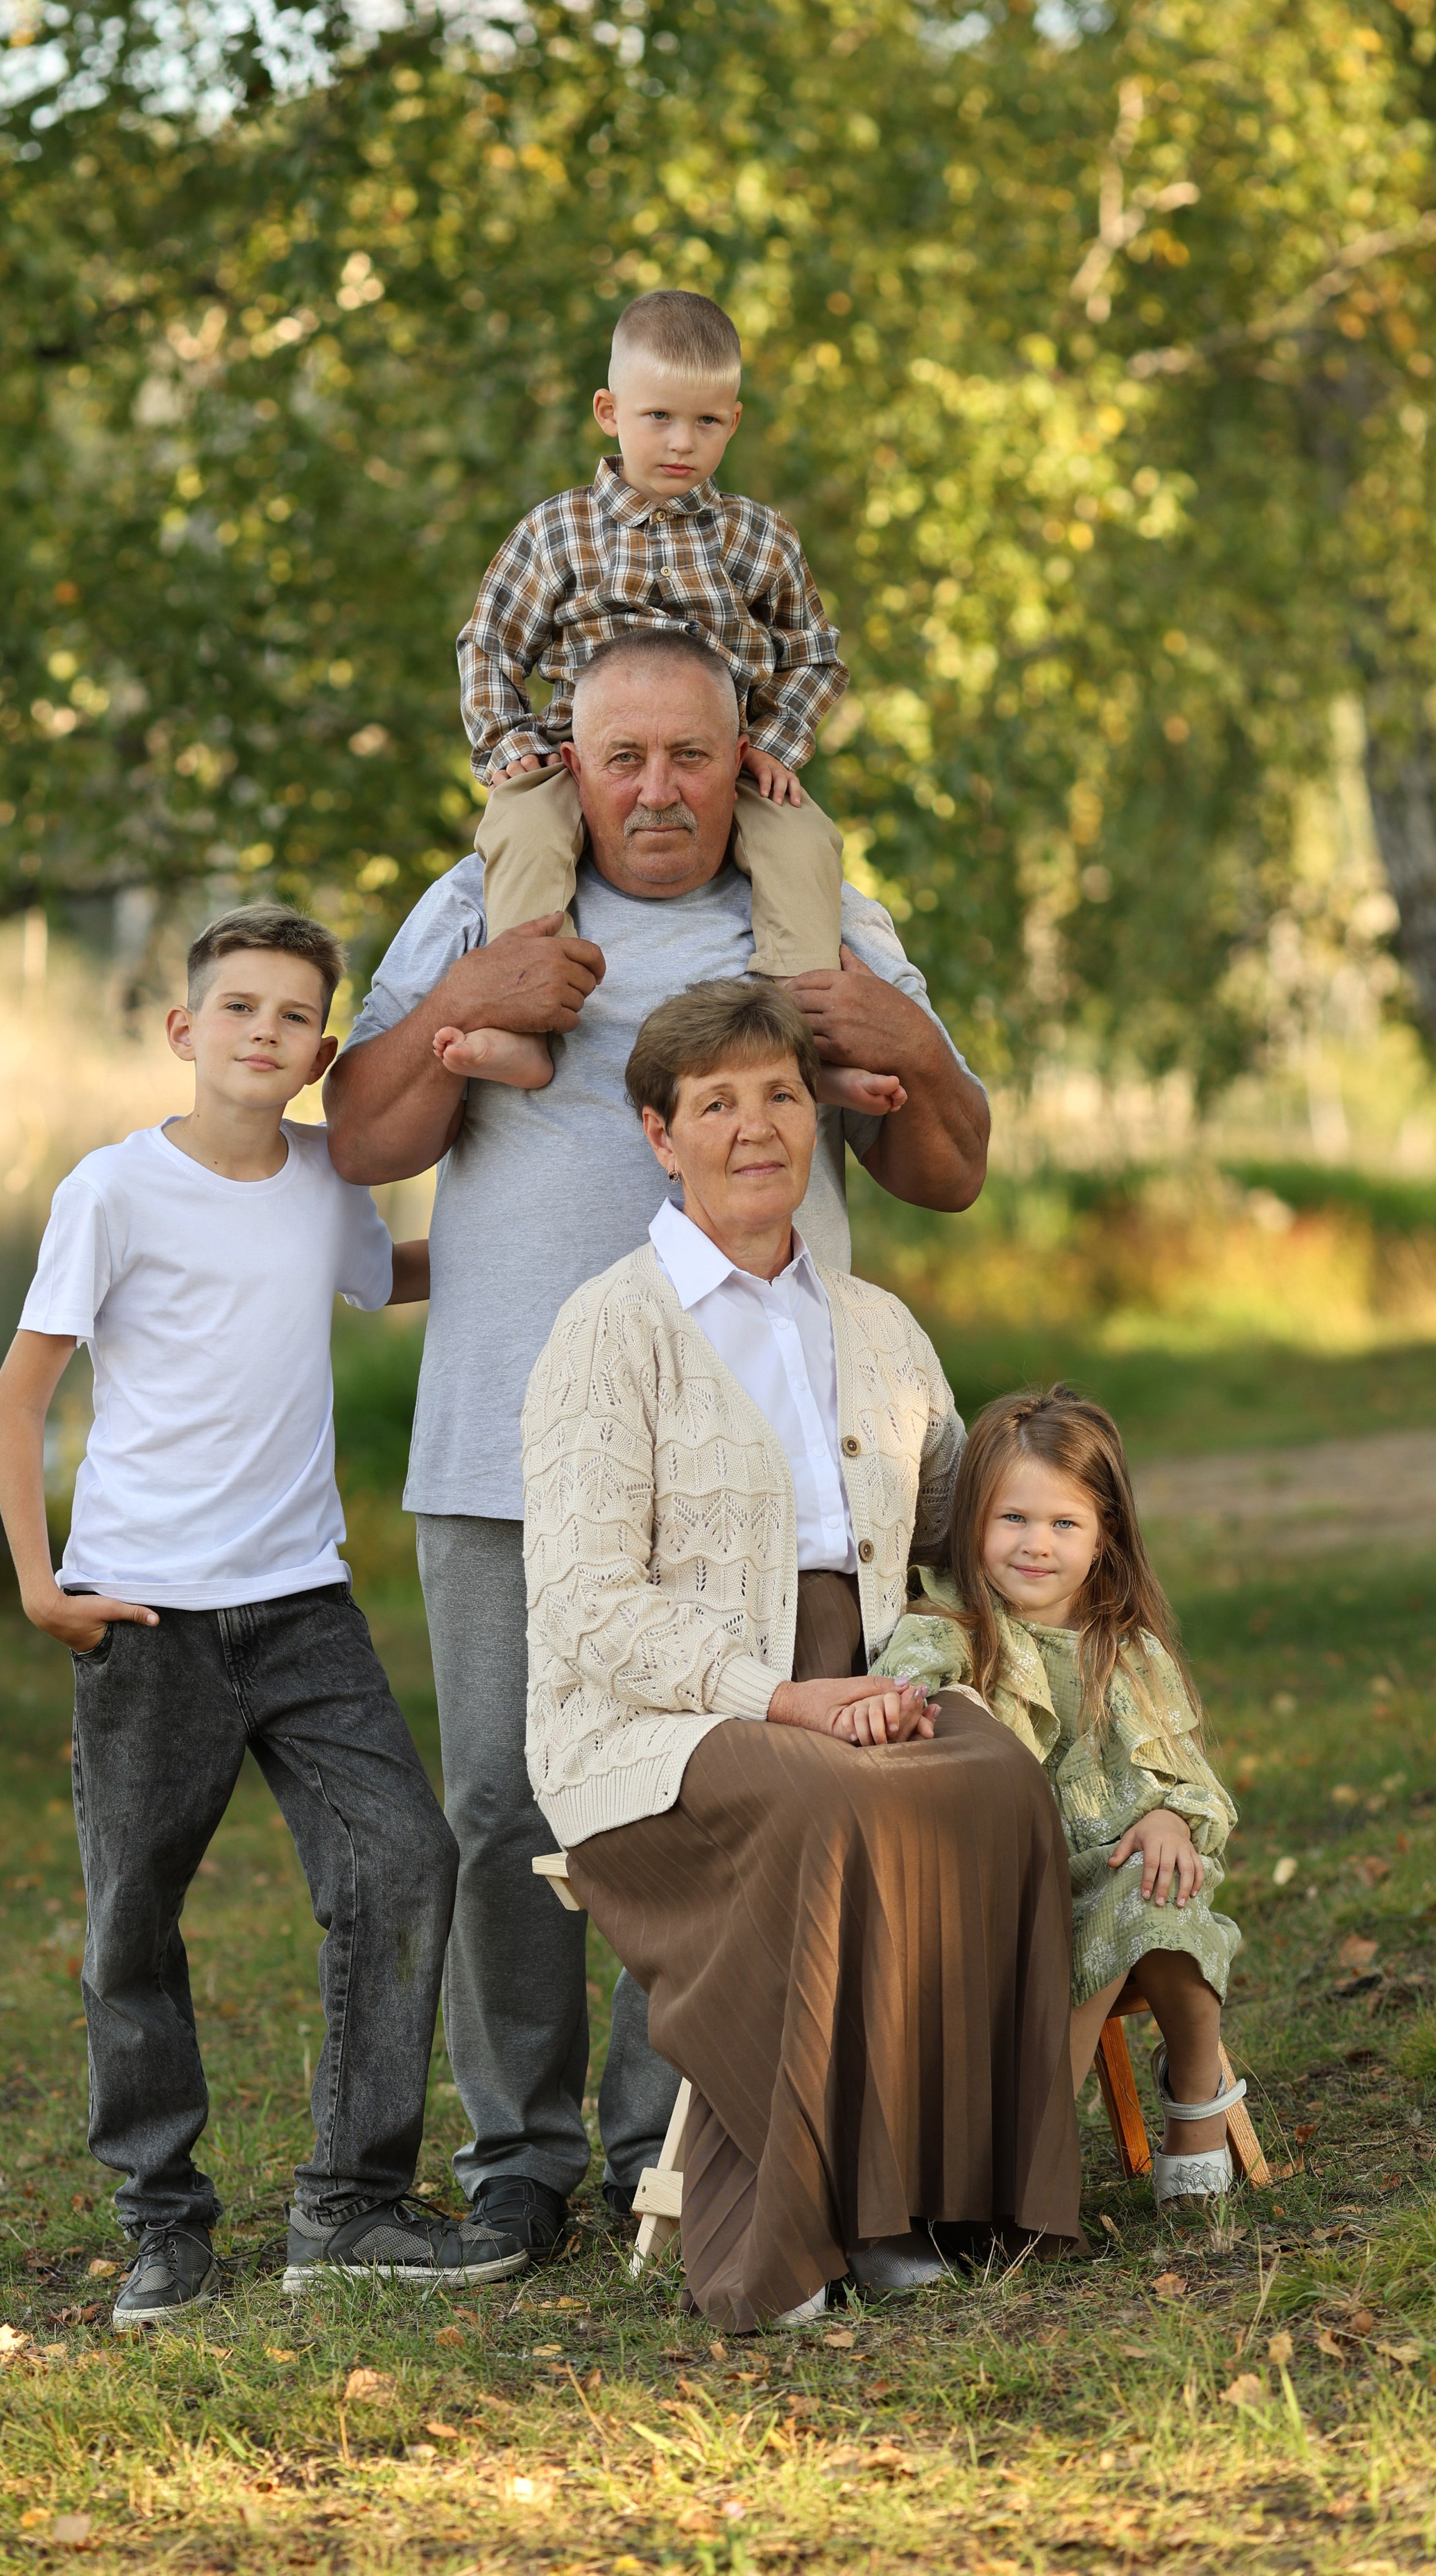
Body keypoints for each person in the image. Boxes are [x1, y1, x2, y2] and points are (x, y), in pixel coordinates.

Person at [325, 633, 992, 2269]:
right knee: (502, 1796)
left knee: (720, 1788)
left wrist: (897, 1031)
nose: (652, 789)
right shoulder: (486, 898)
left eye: (687, 756)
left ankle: (679, 2134)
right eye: (617, 758)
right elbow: (352, 1135)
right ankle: (519, 2151)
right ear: (564, 761)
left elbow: (951, 1163)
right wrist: (459, 1008)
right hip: (502, 1429)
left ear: (741, 753)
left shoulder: (814, 922)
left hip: (758, 1457)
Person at [0, 903, 525, 2329]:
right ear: (183, 1029)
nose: (261, 1033)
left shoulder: (323, 1177)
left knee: (404, 1863)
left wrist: (528, 1251)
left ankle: (348, 2205)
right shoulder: (110, 1192)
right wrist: (42, 1584)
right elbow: (20, 1394)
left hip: (303, 1609)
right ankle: (161, 2221)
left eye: (291, 1018)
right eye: (237, 1008)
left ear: (321, 1052)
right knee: (132, 1925)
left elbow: (390, 1273)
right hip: (147, 1613)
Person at [522, 979, 1083, 2327]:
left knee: (995, 1783)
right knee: (825, 1804)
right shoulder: (609, 1330)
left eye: (778, 1094)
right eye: (714, 1103)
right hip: (659, 1722)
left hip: (865, 1678)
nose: (754, 1126)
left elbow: (948, 1511)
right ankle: (821, 2214)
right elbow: (586, 1604)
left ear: (813, 1117)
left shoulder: (876, 1326)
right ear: (659, 1134)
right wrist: (781, 1697)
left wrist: (1054, 1485)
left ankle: (942, 2195)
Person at [450, 285, 894, 1110]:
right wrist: (510, 745)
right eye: (658, 417)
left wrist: (774, 746)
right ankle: (521, 1028)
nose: (682, 443)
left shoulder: (756, 539)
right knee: (521, 827)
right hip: (582, 759)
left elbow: (815, 656)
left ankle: (805, 1045)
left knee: (804, 846)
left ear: (734, 419)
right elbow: (489, 645)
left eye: (706, 422)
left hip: (720, 767)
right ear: (609, 411)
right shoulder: (558, 531)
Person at [873, 1387, 1245, 2203]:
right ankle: (1036, 2149)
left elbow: (1190, 1785)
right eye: (1013, 1519)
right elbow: (903, 1703)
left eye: (1063, 1524)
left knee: (1155, 1893)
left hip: (1120, 1868)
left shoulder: (1127, 1651)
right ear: (972, 1522)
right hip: (1005, 1890)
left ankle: (1193, 2100)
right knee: (1124, 1906)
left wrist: (1165, 1818)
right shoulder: (950, 1630)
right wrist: (912, 1705)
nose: (1035, 1545)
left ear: (1105, 1536)